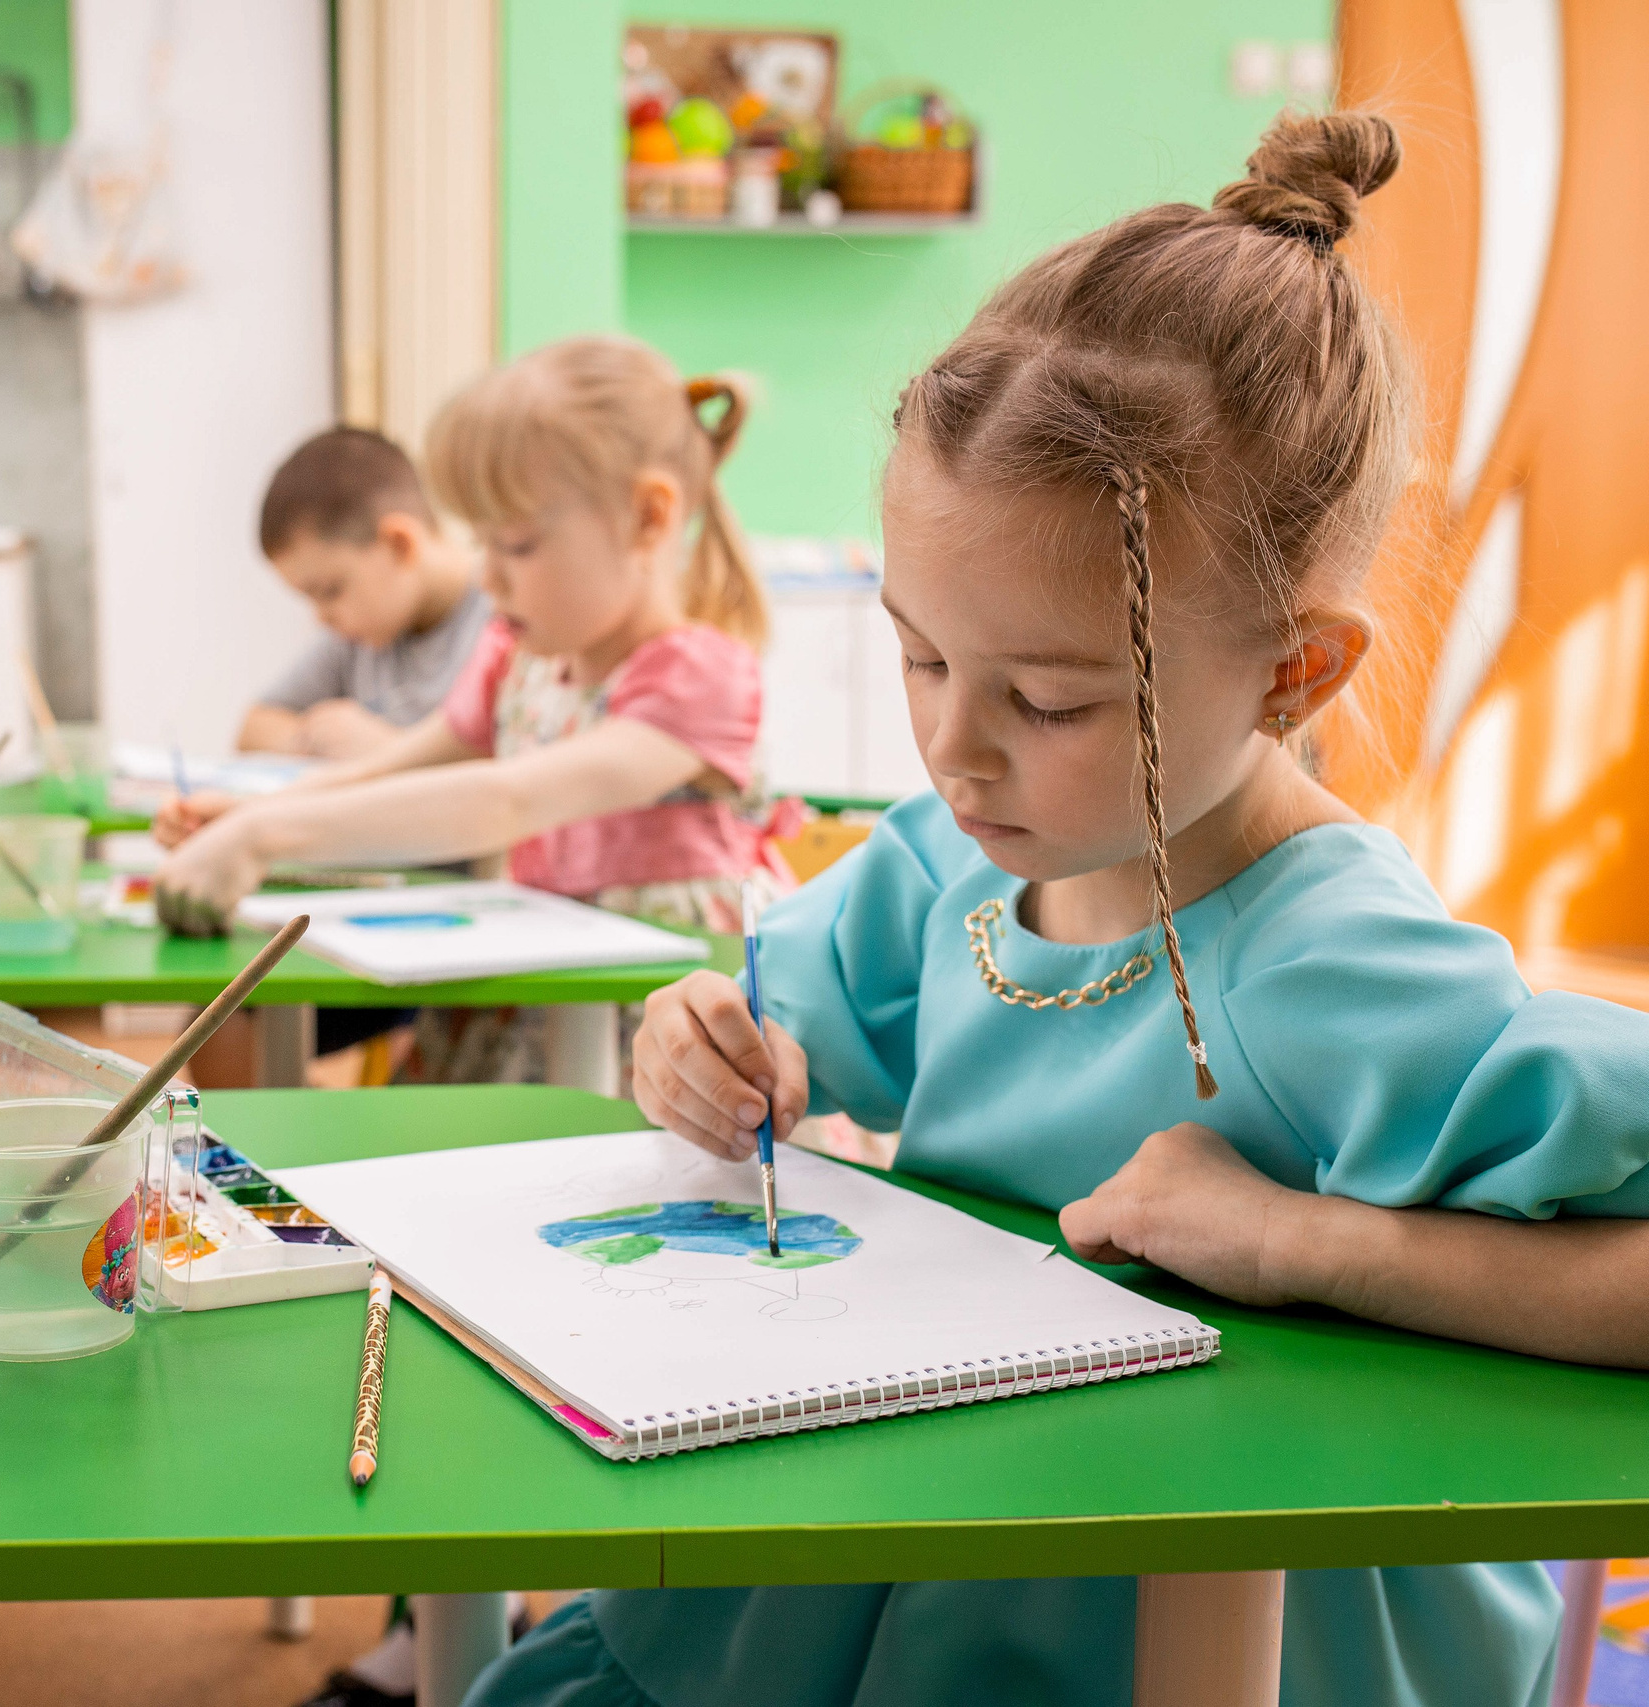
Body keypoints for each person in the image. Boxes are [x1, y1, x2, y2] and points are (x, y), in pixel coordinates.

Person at [494, 112, 1649, 1707]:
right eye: (918, 657)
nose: (955, 748)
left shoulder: (1335, 962)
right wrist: (691, 1046)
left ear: (1294, 670)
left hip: (1193, 1626)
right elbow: (771, 1033)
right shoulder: (945, 859)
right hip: (912, 1554)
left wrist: (1299, 1236)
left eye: (1044, 697)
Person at [157, 339, 793, 946]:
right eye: (482, 543)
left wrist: (264, 836)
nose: (488, 577)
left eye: (515, 545)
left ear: (648, 518)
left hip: (672, 1022)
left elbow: (503, 800)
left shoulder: (702, 681)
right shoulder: (513, 663)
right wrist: (244, 814)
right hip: (547, 994)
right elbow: (384, 771)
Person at [239, 426, 493, 761]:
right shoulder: (358, 637)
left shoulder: (504, 617)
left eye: (330, 591)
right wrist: (312, 740)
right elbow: (254, 727)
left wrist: (390, 751)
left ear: (399, 544)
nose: (321, 617)